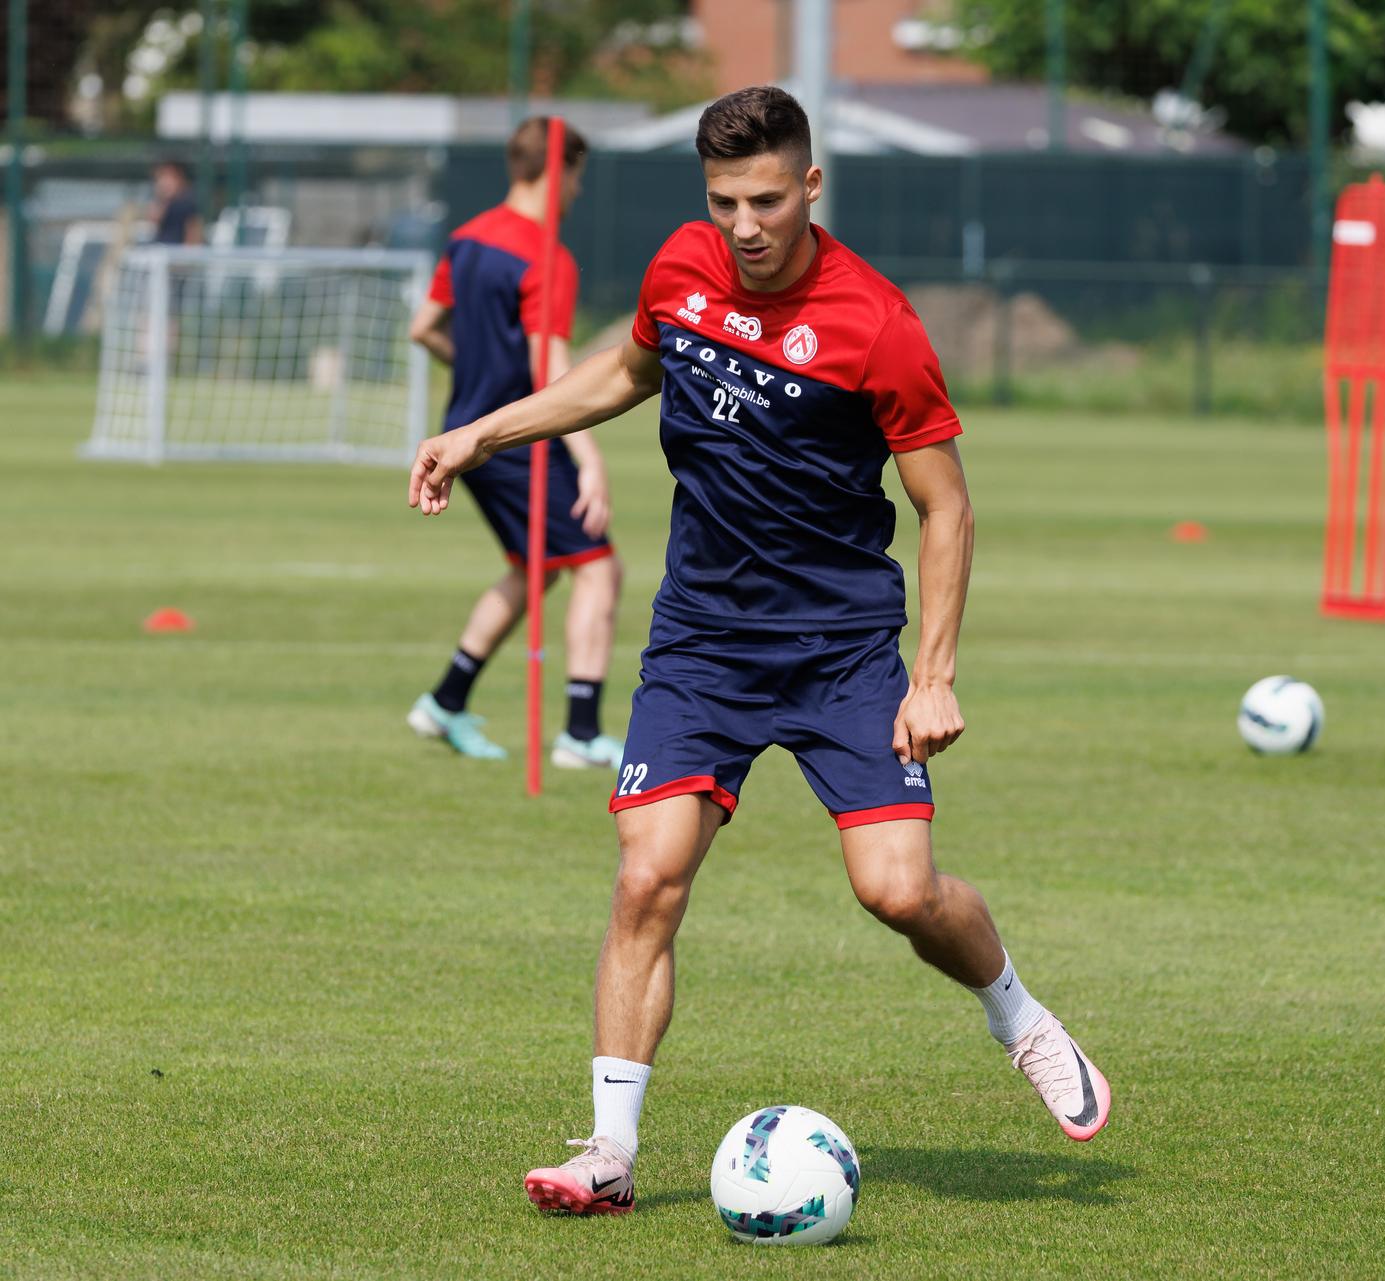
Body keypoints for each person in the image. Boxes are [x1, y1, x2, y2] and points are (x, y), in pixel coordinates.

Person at [407, 85, 1112, 1216]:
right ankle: (610, 1152)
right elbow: (625, 376)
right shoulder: (679, 268)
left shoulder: (876, 323)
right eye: (726, 199)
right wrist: (481, 430)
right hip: (701, 645)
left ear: (811, 186)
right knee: (647, 881)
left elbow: (948, 508)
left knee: (898, 892)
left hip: (841, 654)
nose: (745, 224)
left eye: (769, 200)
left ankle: (1020, 1018)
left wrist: (932, 676)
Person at [405, 117, 626, 769]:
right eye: (578, 179)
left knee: (535, 569)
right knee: (598, 566)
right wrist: (590, 462)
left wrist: (478, 377)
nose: (578, 194)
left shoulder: (467, 239)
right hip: (515, 443)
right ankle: (581, 733)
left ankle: (445, 700)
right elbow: (554, 370)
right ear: (561, 172)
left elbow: (425, 328)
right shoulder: (545, 255)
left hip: (465, 433)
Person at [148, 160, 202, 246]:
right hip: (163, 249)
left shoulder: (188, 202)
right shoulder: (163, 201)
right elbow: (153, 220)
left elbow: (193, 231)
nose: (165, 182)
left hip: (178, 252)